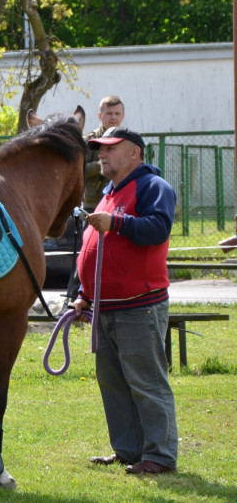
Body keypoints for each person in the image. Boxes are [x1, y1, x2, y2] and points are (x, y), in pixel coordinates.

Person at [70, 126, 178, 476]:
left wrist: (115, 222)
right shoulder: (108, 193)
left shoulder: (153, 188)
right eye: (99, 149)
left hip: (139, 303)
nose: (101, 155)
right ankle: (129, 450)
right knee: (113, 382)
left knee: (146, 381)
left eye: (110, 149)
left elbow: (157, 228)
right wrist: (84, 295)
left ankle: (159, 455)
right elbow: (96, 250)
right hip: (106, 307)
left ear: (135, 152)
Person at [64, 96, 127, 303]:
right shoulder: (90, 141)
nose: (113, 118)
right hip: (93, 204)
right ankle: (74, 298)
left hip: (119, 204)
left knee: (114, 253)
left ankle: (108, 297)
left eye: (117, 114)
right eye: (109, 114)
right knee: (87, 253)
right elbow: (78, 169)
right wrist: (105, 166)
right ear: (101, 116)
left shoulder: (127, 140)